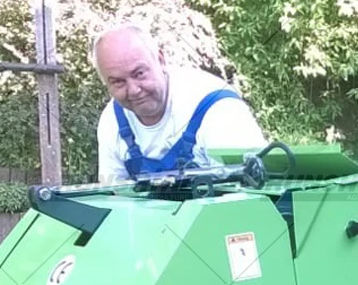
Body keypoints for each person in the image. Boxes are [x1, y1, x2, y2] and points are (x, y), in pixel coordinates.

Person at [92, 24, 267, 183]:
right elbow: (114, 194)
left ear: (160, 60)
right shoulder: (112, 120)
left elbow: (253, 194)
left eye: (139, 74)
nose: (133, 90)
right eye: (118, 82)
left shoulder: (218, 108)